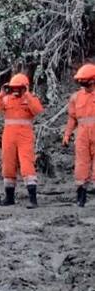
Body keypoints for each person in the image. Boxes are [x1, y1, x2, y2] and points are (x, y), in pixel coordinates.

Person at [0, 73, 44, 208]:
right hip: (8, 136)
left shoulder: (30, 99)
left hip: (25, 137)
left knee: (27, 166)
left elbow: (38, 110)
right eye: (13, 88)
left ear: (24, 88)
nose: (15, 91)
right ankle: (9, 198)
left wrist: (27, 96)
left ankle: (33, 199)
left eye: (18, 88)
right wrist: (1, 94)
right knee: (8, 166)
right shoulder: (7, 99)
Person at [63, 63, 95, 207]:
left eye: (85, 80)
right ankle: (80, 198)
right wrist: (67, 135)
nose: (82, 84)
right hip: (82, 134)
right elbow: (72, 119)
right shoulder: (75, 97)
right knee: (81, 164)